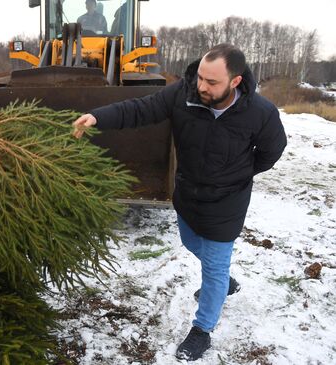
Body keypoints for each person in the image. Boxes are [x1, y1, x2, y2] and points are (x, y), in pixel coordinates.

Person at [72, 44, 286, 361]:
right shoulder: (183, 95)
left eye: (212, 82)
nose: (202, 86)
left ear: (235, 81)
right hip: (187, 195)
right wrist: (97, 117)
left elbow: (272, 152)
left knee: (212, 269)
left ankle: (202, 330)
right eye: (200, 77)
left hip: (226, 203)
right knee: (189, 241)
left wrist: (238, 174)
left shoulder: (261, 113)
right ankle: (223, 278)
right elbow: (140, 109)